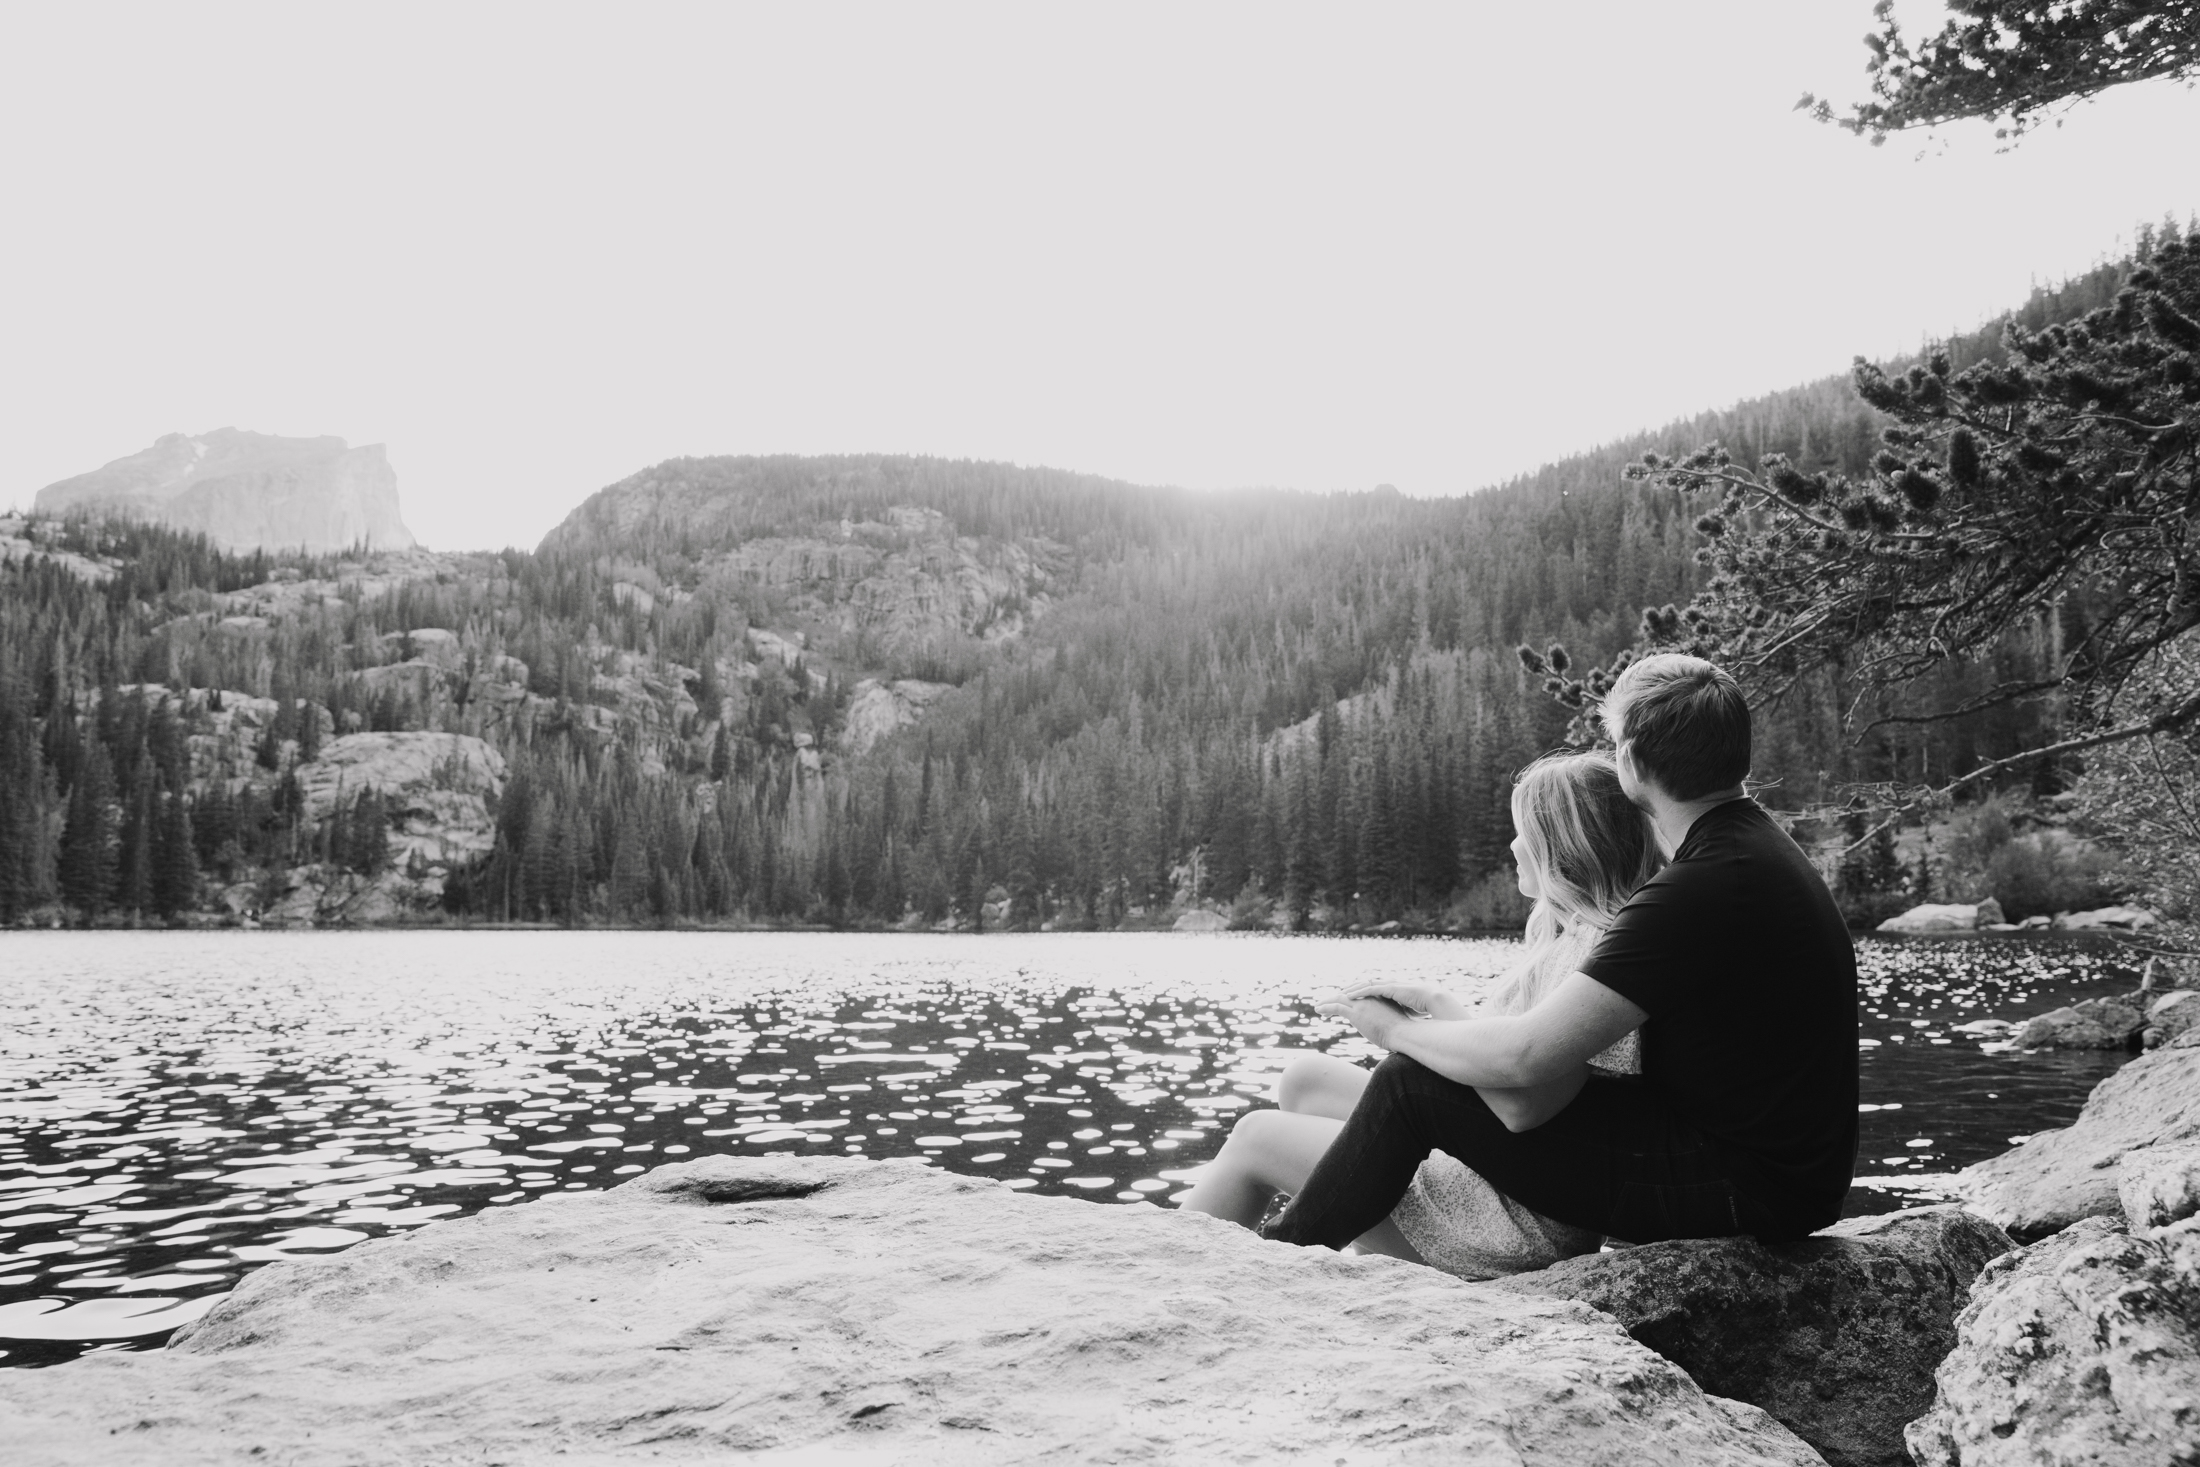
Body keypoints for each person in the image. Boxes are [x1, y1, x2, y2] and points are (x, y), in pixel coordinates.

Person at [1217, 653, 1858, 1256]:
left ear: (1630, 762)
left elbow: (1526, 1061)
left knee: (1409, 1085)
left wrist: (1395, 1029)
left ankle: (1283, 1263)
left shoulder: (1697, 890)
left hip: (1744, 1188)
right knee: (1376, 1088)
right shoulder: (1750, 854)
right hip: (1768, 1172)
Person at [1175, 748, 1663, 1276]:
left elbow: (1525, 1101)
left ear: (1561, 846)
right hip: (1490, 1168)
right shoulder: (1567, 933)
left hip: (1508, 1219)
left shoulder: (1596, 946)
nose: (1512, 845)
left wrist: (1403, 1030)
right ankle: (1360, 1251)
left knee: (1256, 1137)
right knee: (1305, 1080)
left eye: (1523, 830)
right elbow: (1509, 1056)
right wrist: (1435, 1002)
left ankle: (1167, 1280)